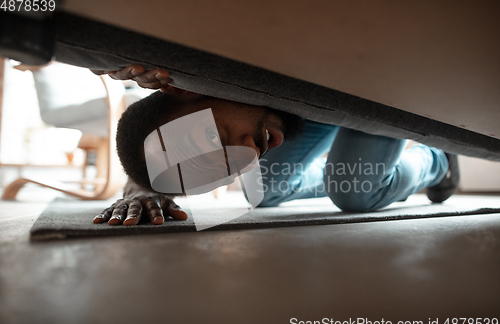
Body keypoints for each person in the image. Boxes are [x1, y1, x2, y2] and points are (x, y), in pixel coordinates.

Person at [92, 65, 459, 226]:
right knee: (261, 191)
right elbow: (162, 148)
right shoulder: (250, 132)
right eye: (227, 166)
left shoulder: (189, 63)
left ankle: (437, 159)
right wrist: (143, 187)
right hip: (298, 112)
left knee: (355, 197)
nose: (249, 152)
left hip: (369, 88)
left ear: (183, 89)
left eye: (213, 136)